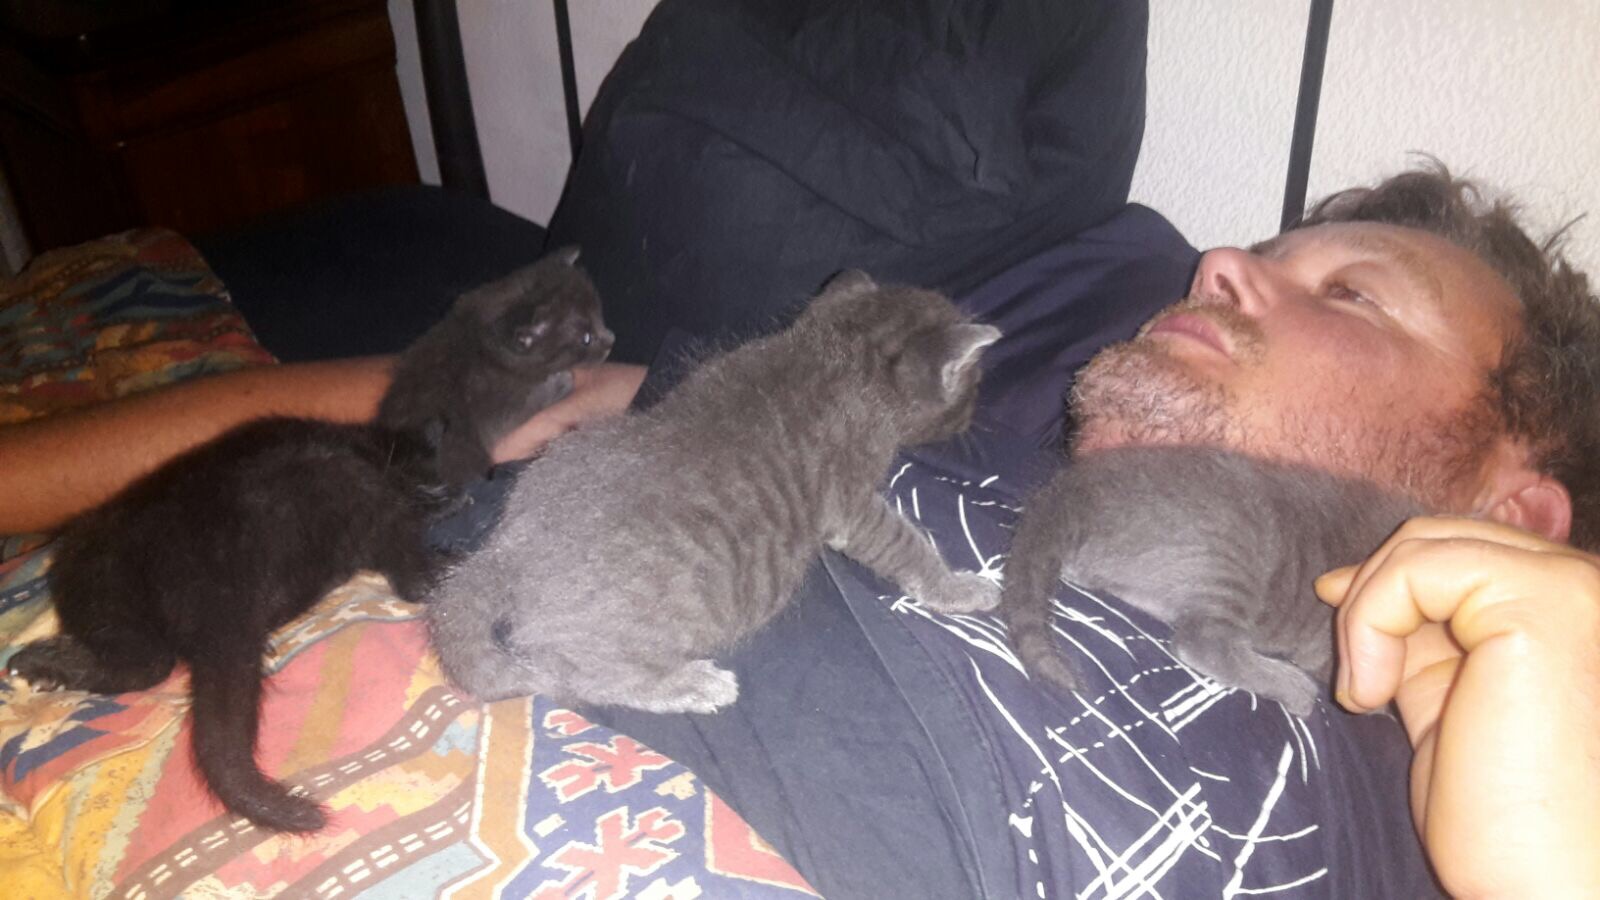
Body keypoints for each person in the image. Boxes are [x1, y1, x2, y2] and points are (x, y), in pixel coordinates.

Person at [1, 163, 1595, 896]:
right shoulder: (925, 439)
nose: (1221, 263)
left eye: (1351, 295)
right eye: (1254, 253)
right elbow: (412, 410)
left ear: (1515, 512)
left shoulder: (1476, 816)